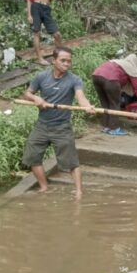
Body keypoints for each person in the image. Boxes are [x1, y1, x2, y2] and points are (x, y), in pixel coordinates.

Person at [23, 46, 96, 199]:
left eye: (69, 61)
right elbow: (28, 93)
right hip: (42, 125)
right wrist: (35, 98)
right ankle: (44, 187)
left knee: (71, 162)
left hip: (62, 127)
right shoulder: (41, 77)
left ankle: (79, 192)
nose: (66, 64)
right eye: (63, 60)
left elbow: (80, 97)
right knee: (32, 156)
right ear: (53, 61)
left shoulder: (74, 80)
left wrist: (87, 106)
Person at [91, 54, 137, 136]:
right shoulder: (130, 67)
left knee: (105, 104)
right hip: (110, 80)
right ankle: (114, 129)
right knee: (115, 104)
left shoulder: (118, 62)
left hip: (96, 76)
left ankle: (106, 127)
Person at [24, 0, 61, 66]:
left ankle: (58, 56)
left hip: (46, 9)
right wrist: (29, 15)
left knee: (57, 34)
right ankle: (40, 58)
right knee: (37, 33)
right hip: (35, 7)